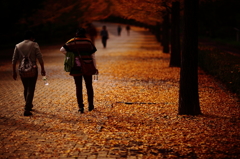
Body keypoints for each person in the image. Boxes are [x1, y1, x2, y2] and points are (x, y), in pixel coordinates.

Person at [60, 28, 97, 113]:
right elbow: (93, 56)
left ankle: (81, 107)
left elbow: (62, 49)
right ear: (85, 34)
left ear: (76, 33)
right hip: (88, 66)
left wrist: (71, 54)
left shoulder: (72, 41)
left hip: (76, 66)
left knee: (78, 87)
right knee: (89, 86)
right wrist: (94, 67)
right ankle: (91, 106)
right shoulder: (88, 42)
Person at [12, 30, 46, 116]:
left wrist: (14, 72)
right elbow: (40, 57)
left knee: (26, 88)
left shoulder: (18, 46)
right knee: (31, 88)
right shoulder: (34, 44)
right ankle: (27, 109)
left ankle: (29, 105)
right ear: (31, 38)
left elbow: (14, 59)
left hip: (22, 70)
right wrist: (42, 68)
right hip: (33, 69)